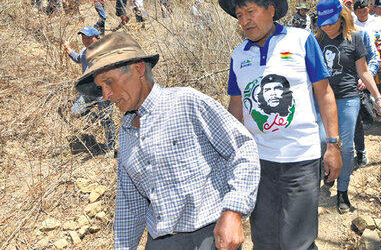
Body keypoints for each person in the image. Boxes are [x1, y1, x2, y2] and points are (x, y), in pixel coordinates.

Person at [74, 32, 260, 250]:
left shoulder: (186, 103)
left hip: (209, 237)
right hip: (161, 241)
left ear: (138, 69)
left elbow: (242, 148)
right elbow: (130, 204)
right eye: (100, 88)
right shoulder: (126, 130)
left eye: (109, 82)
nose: (105, 94)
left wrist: (233, 211)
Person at [219, 0, 342, 250]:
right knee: (264, 238)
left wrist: (333, 144)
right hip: (258, 162)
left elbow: (324, 93)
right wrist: (228, 151)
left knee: (297, 240)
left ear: (271, 10)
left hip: (301, 157)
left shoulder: (301, 40)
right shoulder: (238, 55)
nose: (244, 21)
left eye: (250, 11)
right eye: (239, 15)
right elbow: (236, 106)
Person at [315, 0, 381, 213]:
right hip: (322, 97)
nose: (326, 26)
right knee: (323, 139)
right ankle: (329, 171)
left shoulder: (355, 37)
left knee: (345, 146)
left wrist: (378, 98)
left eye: (330, 21)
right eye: (323, 22)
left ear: (341, 16)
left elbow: (363, 71)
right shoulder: (316, 39)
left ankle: (342, 192)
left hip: (348, 96)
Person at [353, 0, 381, 167]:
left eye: (364, 10)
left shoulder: (378, 21)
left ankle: (379, 112)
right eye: (359, 11)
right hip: (357, 70)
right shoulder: (351, 26)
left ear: (368, 9)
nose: (362, 13)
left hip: (374, 60)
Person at [63, 27, 116, 150]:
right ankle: (96, 119)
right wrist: (68, 49)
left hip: (103, 91)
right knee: (76, 111)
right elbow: (78, 59)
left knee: (106, 119)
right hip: (87, 90)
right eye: (83, 38)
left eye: (88, 38)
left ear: (97, 38)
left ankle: (110, 146)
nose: (85, 40)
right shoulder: (84, 50)